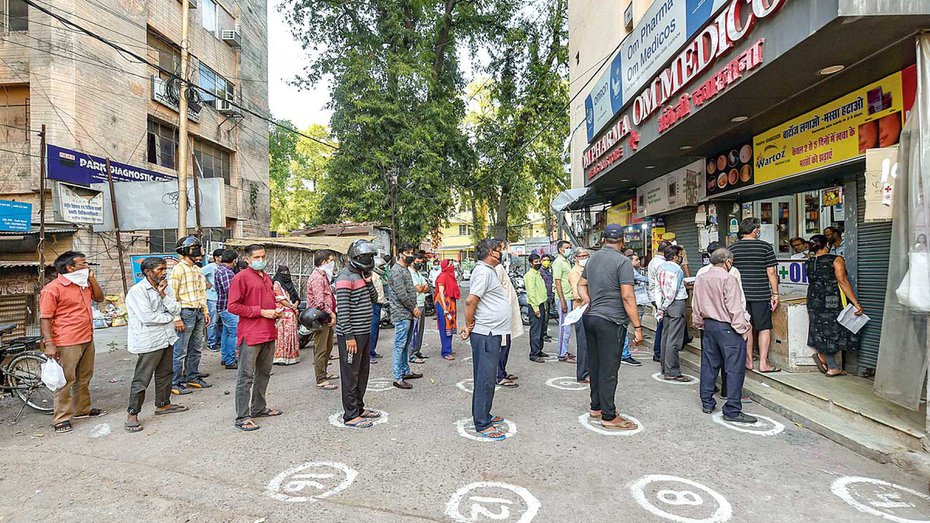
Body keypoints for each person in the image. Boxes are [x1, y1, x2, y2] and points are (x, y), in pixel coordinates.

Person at [577, 225, 643, 430]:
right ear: (622, 241)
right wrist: (638, 327)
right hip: (611, 321)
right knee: (609, 368)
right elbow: (627, 295)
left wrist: (589, 301)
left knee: (595, 365)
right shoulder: (623, 262)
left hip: (591, 318)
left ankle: (596, 406)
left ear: (603, 240)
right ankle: (608, 415)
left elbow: (581, 285)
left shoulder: (592, 259)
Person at [40, 251, 107, 434]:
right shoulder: (52, 289)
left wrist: (92, 279)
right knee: (66, 380)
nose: (87, 267)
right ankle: (61, 418)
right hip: (67, 340)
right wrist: (50, 343)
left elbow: (100, 298)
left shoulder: (83, 284)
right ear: (70, 268)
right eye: (83, 264)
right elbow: (45, 318)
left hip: (86, 336)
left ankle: (82, 409)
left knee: (84, 377)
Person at [124, 257, 190, 432]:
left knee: (165, 374)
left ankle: (163, 404)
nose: (164, 272)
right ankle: (132, 413)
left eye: (164, 269)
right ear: (148, 272)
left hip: (166, 338)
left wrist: (162, 295)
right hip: (149, 341)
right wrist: (169, 319)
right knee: (142, 378)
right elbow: (148, 318)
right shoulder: (137, 291)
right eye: (160, 269)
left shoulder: (163, 288)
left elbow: (176, 308)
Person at [692, 248, 757, 423]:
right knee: (734, 368)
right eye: (731, 261)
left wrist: (699, 323)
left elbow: (696, 303)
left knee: (709, 364)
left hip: (709, 326)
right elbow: (734, 308)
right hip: (728, 327)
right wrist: (743, 330)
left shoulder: (701, 278)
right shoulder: (729, 279)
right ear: (727, 261)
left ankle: (707, 402)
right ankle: (733, 409)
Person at [459, 238, 512, 440]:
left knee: (488, 377)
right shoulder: (483, 271)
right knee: (485, 378)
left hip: (492, 332)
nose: (502, 253)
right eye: (500, 250)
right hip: (486, 332)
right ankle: (481, 423)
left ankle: (485, 413)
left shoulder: (488, 271)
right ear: (491, 252)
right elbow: (471, 300)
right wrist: (469, 324)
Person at [227, 244, 283, 431]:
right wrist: (262, 312)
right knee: (246, 376)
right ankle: (242, 417)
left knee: (264, 373)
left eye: (263, 256)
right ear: (248, 259)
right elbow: (233, 307)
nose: (261, 260)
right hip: (250, 334)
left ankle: (259, 408)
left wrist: (275, 312)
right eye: (257, 257)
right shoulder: (240, 278)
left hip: (268, 332)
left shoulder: (266, 277)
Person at [335, 240, 380, 428]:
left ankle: (359, 408)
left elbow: (374, 299)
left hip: (363, 332)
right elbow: (343, 311)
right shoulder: (344, 277)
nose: (369, 260)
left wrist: (369, 283)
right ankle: (351, 415)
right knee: (350, 375)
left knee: (362, 373)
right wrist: (349, 337)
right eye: (365, 257)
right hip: (351, 335)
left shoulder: (361, 275)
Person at [806, 234, 863, 376]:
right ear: (827, 245)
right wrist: (856, 303)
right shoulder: (836, 260)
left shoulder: (809, 261)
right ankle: (831, 365)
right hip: (831, 300)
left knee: (820, 330)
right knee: (835, 331)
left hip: (813, 299)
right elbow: (843, 281)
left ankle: (826, 358)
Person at [729, 218, 780, 373]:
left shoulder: (733, 249)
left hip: (740, 295)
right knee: (764, 327)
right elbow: (771, 272)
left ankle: (749, 361)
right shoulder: (765, 247)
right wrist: (775, 293)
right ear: (755, 230)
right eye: (758, 229)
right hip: (761, 294)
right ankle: (763, 363)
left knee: (747, 327)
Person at [168, 236, 212, 395]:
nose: (199, 252)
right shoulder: (178, 269)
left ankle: (192, 376)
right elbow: (172, 295)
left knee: (196, 348)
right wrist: (176, 317)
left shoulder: (197, 269)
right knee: (180, 350)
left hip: (198, 312)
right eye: (195, 248)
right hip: (185, 313)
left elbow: (202, 293)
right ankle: (175, 382)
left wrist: (205, 311)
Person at [655, 245, 692, 382]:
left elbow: (658, 289)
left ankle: (665, 367)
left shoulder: (661, 268)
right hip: (676, 304)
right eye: (680, 255)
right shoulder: (677, 270)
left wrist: (660, 307)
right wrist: (665, 305)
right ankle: (672, 371)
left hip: (665, 304)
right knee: (674, 339)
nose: (681, 257)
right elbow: (673, 291)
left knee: (665, 336)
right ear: (675, 256)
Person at [390, 243, 423, 389]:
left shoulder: (405, 269)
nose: (411, 255)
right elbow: (401, 294)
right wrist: (413, 308)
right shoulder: (396, 271)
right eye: (408, 253)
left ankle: (405, 370)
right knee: (400, 345)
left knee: (406, 344)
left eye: (412, 253)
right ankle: (397, 377)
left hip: (409, 313)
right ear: (401, 254)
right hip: (401, 313)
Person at [306, 249, 339, 390]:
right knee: (320, 349)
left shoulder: (324, 276)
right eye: (331, 260)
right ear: (324, 262)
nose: (332, 263)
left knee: (328, 347)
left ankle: (324, 372)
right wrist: (332, 314)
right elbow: (320, 302)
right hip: (320, 318)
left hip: (325, 317)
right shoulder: (318, 278)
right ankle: (320, 378)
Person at [495, 241, 524, 388]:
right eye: (501, 249)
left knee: (507, 344)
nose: (503, 252)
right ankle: (499, 375)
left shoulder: (500, 267)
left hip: (507, 313)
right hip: (502, 315)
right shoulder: (496, 269)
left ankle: (502, 371)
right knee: (502, 345)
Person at [619, 254, 648, 367]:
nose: (638, 262)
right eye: (635, 260)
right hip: (629, 303)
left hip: (629, 303)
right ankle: (624, 355)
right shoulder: (629, 270)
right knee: (624, 328)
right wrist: (638, 329)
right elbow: (627, 296)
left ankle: (623, 353)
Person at [214, 250, 239, 369]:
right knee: (234, 333)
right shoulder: (227, 272)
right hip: (228, 308)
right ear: (234, 260)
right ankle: (230, 360)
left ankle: (225, 358)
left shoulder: (219, 269)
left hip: (222, 306)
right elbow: (231, 291)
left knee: (226, 332)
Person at [551, 240, 576, 363]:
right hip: (563, 298)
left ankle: (564, 350)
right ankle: (562, 353)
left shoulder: (566, 261)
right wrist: (562, 301)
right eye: (567, 247)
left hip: (569, 297)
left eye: (570, 247)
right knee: (564, 327)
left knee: (568, 327)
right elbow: (557, 282)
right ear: (561, 249)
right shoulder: (558, 262)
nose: (569, 249)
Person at [647, 240, 672, 362]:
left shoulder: (654, 261)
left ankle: (659, 351)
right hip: (659, 298)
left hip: (654, 296)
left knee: (661, 325)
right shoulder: (661, 264)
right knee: (661, 326)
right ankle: (658, 352)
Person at [568, 248, 590, 381]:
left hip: (589, 309)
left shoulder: (588, 269)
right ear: (575, 258)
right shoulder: (575, 272)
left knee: (589, 343)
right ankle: (583, 374)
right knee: (583, 344)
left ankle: (588, 371)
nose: (584, 258)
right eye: (581, 256)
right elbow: (577, 293)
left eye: (586, 255)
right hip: (580, 309)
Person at [272, 265, 300, 365]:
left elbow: (296, 297)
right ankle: (280, 358)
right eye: (283, 273)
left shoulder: (290, 284)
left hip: (291, 313)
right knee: (281, 335)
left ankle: (291, 356)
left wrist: (295, 305)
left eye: (286, 272)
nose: (285, 275)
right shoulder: (276, 284)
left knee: (290, 335)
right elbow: (280, 299)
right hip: (281, 313)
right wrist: (292, 306)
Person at [407, 251, 430, 364]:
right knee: (414, 331)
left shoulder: (418, 273)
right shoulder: (410, 273)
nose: (419, 264)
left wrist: (423, 288)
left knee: (420, 331)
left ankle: (417, 351)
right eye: (417, 262)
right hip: (415, 305)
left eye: (421, 262)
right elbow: (419, 288)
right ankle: (411, 354)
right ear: (412, 262)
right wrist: (423, 288)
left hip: (421, 303)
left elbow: (427, 287)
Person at [434, 259, 460, 361]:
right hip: (443, 303)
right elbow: (440, 293)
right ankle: (445, 351)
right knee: (445, 327)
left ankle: (448, 348)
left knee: (451, 325)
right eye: (450, 264)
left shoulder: (451, 276)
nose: (452, 266)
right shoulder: (442, 276)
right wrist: (445, 308)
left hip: (451, 304)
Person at [525, 254, 548, 363]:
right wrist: (535, 308)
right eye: (536, 262)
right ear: (530, 263)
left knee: (541, 330)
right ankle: (534, 354)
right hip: (535, 305)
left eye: (539, 261)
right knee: (535, 330)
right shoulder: (530, 275)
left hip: (542, 304)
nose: (538, 263)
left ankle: (539, 350)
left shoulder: (538, 274)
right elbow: (531, 293)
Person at [202, 248, 223, 352]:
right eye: (221, 256)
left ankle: (218, 340)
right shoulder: (211, 267)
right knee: (213, 321)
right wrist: (207, 283)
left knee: (220, 322)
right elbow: (199, 274)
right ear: (216, 257)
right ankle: (211, 343)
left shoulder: (223, 268)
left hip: (221, 298)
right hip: (212, 298)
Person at [369, 257, 387, 361]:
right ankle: (369, 353)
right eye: (381, 267)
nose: (383, 268)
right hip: (374, 305)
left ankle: (372, 351)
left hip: (378, 305)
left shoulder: (377, 276)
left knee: (375, 329)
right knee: (372, 330)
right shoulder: (372, 277)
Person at [540, 255, 554, 341]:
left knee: (547, 316)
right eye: (544, 260)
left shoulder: (548, 271)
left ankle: (545, 333)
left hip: (549, 296)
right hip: (544, 296)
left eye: (548, 260)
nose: (546, 262)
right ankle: (543, 334)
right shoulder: (540, 271)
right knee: (544, 317)